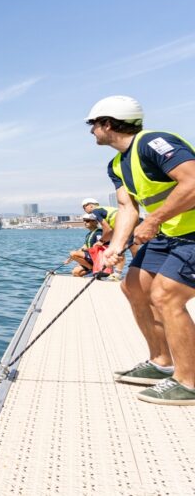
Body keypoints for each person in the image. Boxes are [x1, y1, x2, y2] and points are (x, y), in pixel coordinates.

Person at [89, 95, 195, 405]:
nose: (92, 131)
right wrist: (116, 247)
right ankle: (162, 362)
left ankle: (189, 382)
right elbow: (126, 208)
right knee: (133, 286)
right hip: (168, 233)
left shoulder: (155, 143)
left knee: (166, 295)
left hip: (190, 233)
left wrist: (156, 220)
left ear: (108, 123)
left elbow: (192, 182)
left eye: (93, 125)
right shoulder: (117, 164)